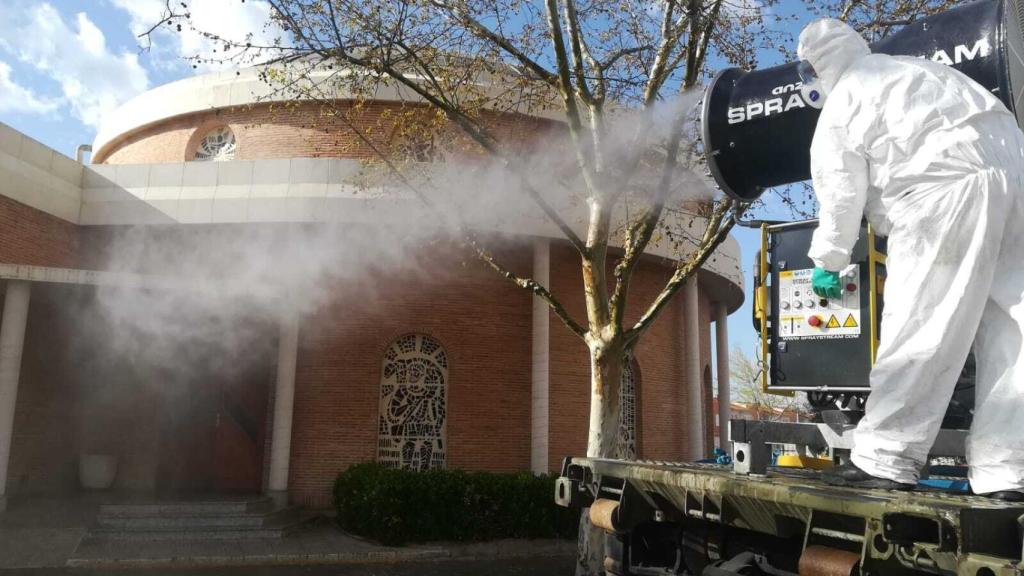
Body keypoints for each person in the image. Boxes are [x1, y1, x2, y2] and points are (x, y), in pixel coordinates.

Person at [798, 18, 1024, 500]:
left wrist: (828, 261)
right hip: (1016, 178)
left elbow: (840, 194)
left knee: (921, 325)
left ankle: (885, 457)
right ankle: (1008, 473)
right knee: (1014, 329)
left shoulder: (845, 99)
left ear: (816, 69)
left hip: (940, 192)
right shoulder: (921, 71)